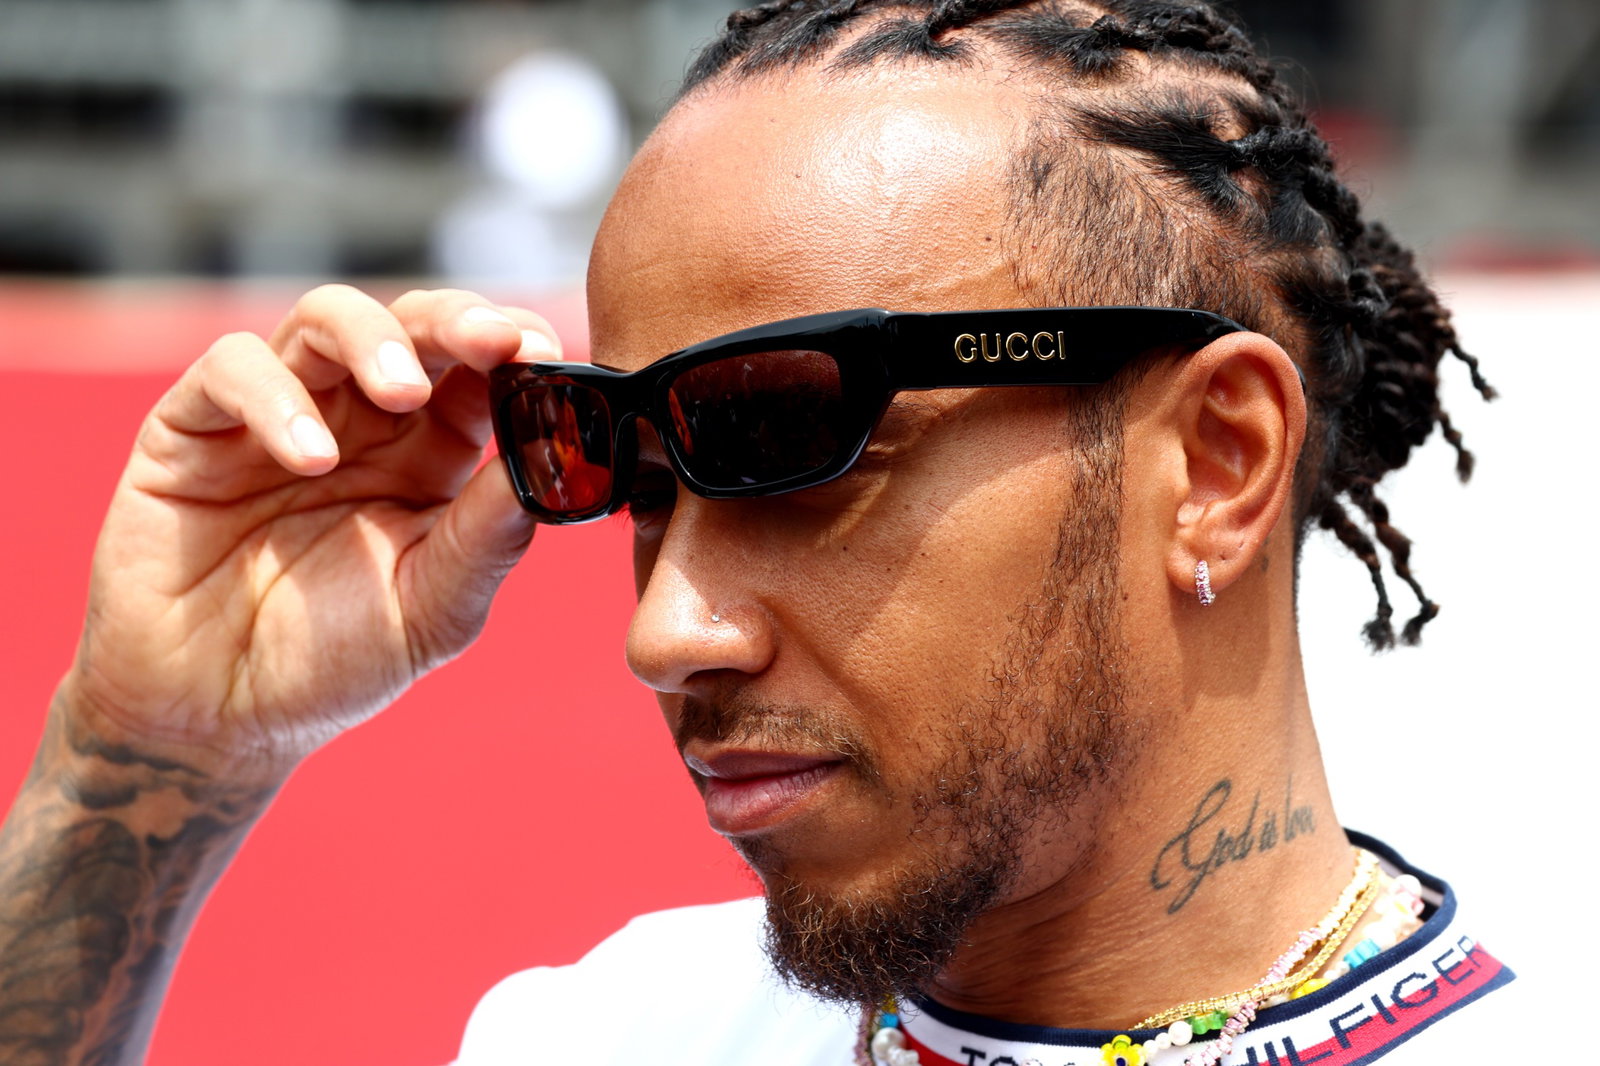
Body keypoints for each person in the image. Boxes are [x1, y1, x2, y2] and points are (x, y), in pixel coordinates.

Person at [0, 2, 1513, 1064]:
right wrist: (150, 754)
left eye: (795, 448)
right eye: (633, 478)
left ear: (1216, 461)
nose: (665, 632)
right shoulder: (597, 1037)